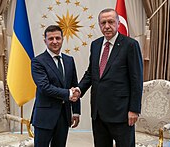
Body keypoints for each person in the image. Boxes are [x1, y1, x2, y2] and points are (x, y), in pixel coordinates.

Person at [75, 8, 143, 147]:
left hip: (122, 113)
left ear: (118, 23)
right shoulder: (95, 44)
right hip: (98, 112)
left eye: (111, 22)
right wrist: (79, 89)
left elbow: (136, 80)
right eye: (103, 22)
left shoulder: (130, 45)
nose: (107, 26)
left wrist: (134, 109)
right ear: (99, 25)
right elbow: (91, 73)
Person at [31, 25, 81, 147]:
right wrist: (69, 94)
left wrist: (75, 111)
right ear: (45, 41)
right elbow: (44, 87)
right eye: (51, 38)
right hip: (44, 117)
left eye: (58, 38)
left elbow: (74, 85)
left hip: (64, 116)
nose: (55, 42)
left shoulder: (69, 60)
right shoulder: (38, 61)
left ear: (62, 39)